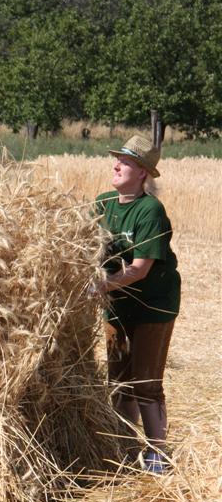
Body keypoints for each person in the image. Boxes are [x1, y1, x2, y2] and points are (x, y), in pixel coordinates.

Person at [95, 135, 181, 474]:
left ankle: (158, 455)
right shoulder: (103, 204)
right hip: (117, 302)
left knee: (145, 383)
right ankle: (126, 448)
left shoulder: (149, 210)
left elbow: (140, 269)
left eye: (125, 162)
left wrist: (98, 286)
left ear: (142, 173)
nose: (116, 165)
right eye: (116, 159)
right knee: (118, 380)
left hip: (152, 305)